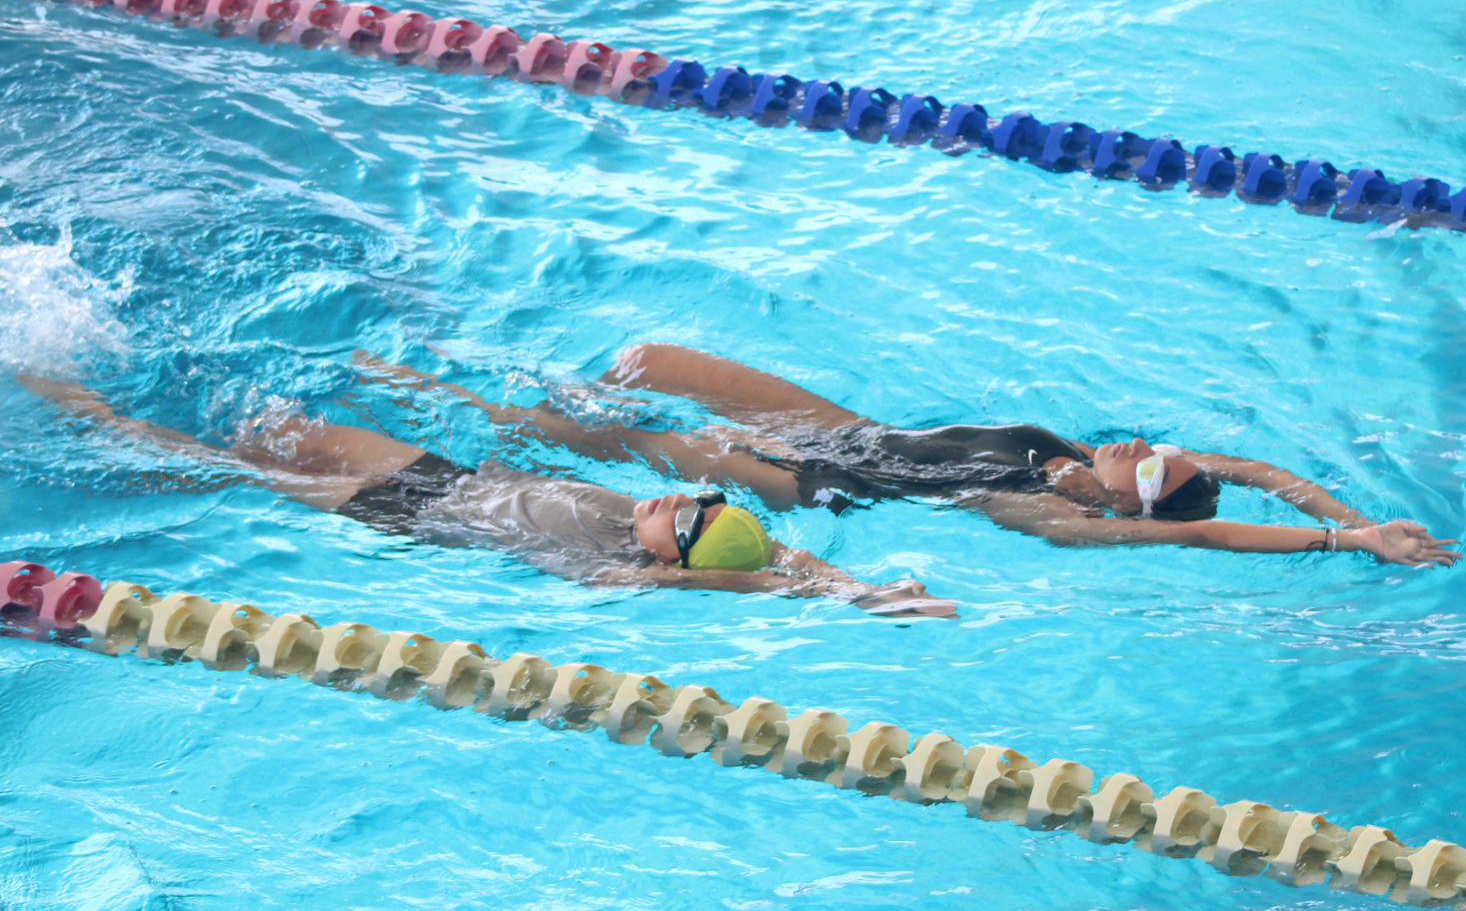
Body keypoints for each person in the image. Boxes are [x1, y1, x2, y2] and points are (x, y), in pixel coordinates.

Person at [355, 345, 1461, 569]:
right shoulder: (1081, 456)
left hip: (811, 479)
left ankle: (427, 396)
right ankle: (472, 379)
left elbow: (1222, 520)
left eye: (1151, 467)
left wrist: (1337, 544)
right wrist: (1355, 514)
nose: (1148, 446)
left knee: (617, 436)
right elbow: (1249, 475)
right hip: (845, 424)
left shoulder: (1054, 515)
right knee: (650, 360)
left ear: (1134, 508)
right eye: (1161, 448)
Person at [18, 373, 958, 618]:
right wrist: (858, 589)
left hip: (409, 516)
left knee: (192, 459)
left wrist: (776, 587)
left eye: (688, 518)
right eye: (700, 500)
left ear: (672, 560)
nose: (683, 500)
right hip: (445, 477)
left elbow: (740, 578)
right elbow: (780, 558)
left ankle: (76, 406)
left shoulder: (618, 573)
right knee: (268, 425)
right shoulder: (649, 530)